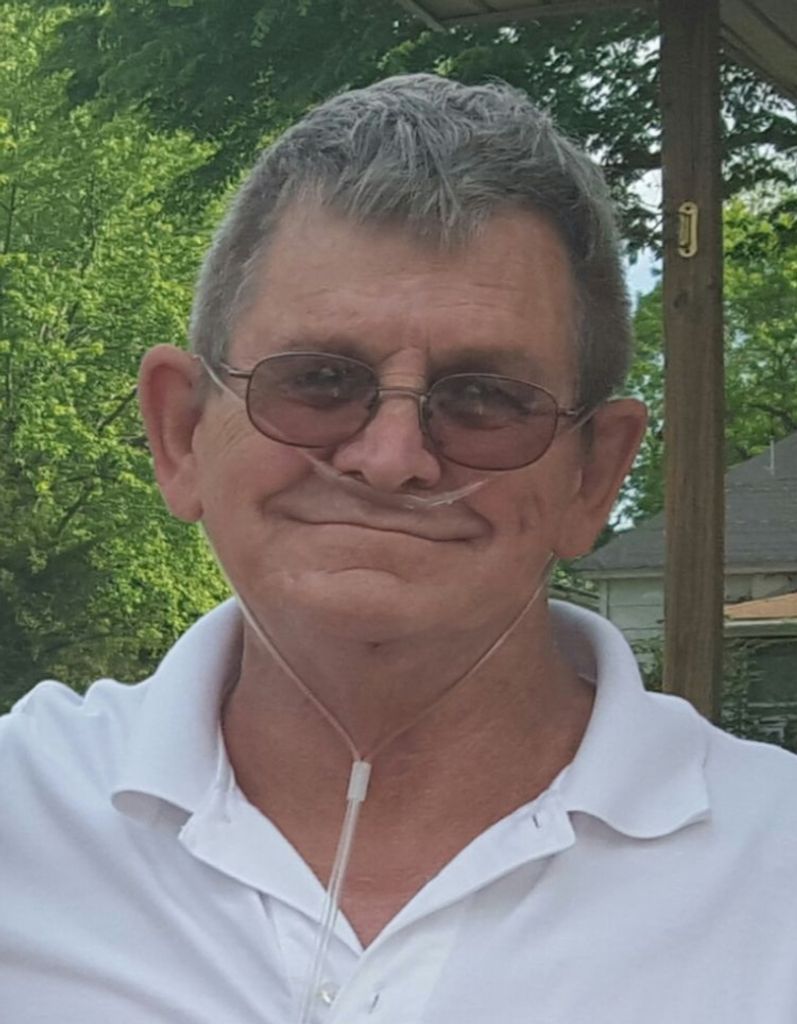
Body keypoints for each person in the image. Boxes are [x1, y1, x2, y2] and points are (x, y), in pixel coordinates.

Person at [2, 74, 796, 1024]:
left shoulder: (772, 874)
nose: (389, 459)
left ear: (593, 474)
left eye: (485, 399)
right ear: (180, 433)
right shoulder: (23, 821)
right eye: (317, 381)